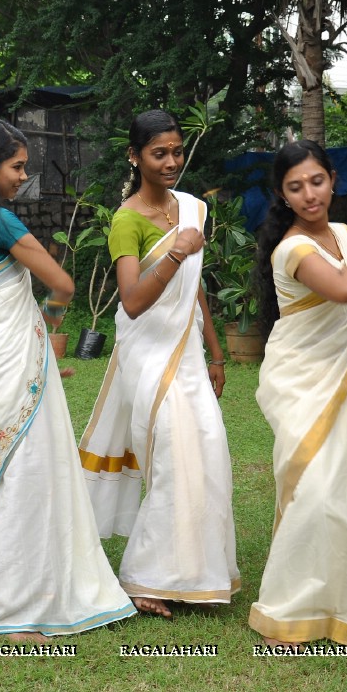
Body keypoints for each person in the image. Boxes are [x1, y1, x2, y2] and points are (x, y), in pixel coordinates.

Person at [0, 118, 135, 641]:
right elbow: (63, 283)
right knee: (23, 473)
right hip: (12, 360)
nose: (24, 176)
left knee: (3, 473)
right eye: (18, 166)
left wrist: (32, 335)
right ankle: (16, 604)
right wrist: (46, 323)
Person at [248, 140, 347, 649]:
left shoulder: (341, 232)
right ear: (282, 194)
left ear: (332, 179)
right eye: (295, 187)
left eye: (316, 181)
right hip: (300, 378)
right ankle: (291, 608)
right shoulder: (293, 248)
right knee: (313, 489)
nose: (309, 194)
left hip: (342, 378)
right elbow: (343, 288)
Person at [78, 109, 239, 618]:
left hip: (189, 352)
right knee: (172, 461)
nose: (172, 162)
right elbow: (132, 301)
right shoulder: (126, 220)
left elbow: (195, 293)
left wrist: (216, 353)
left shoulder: (191, 209)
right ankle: (145, 577)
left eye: (177, 151)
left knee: (208, 452)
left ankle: (197, 572)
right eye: (159, 153)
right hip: (148, 357)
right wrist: (176, 252)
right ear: (135, 157)